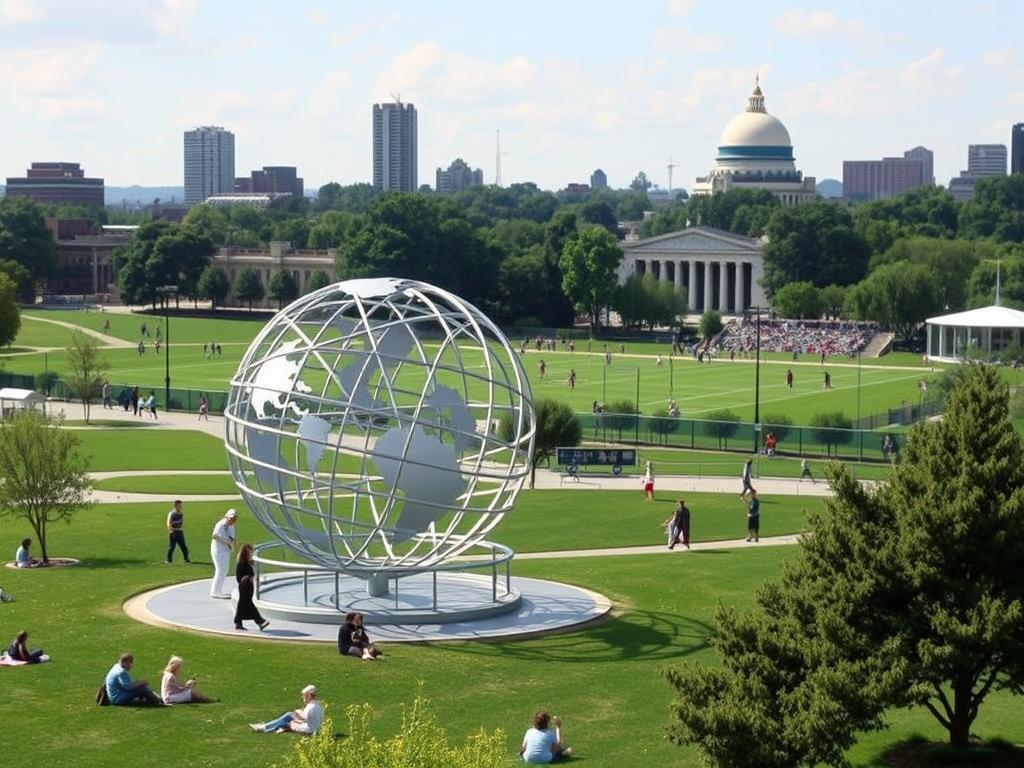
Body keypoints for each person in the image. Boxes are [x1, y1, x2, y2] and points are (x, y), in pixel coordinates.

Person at [250, 684, 324, 734]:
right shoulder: (316, 704)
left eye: (304, 696)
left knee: (287, 722)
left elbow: (304, 718)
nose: (302, 697)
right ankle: (265, 727)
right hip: (315, 727)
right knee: (289, 715)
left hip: (310, 729)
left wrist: (298, 712)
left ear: (309, 696)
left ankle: (264, 728)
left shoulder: (311, 707)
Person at [234, 544, 269, 631]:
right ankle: (260, 621)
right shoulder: (241, 564)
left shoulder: (248, 563)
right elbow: (239, 578)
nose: (251, 553)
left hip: (249, 587)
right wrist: (248, 578)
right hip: (244, 587)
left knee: (242, 604)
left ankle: (238, 622)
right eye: (249, 552)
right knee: (249, 604)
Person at [209, 509, 238, 598]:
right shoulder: (220, 525)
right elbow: (214, 536)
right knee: (220, 570)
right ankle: (215, 591)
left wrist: (232, 545)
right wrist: (226, 541)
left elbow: (232, 539)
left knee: (224, 570)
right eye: (232, 518)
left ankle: (218, 590)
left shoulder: (232, 527)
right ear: (227, 517)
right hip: (218, 550)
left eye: (234, 518)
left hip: (225, 551)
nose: (233, 520)